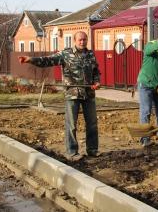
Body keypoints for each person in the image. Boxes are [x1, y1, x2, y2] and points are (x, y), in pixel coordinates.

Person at [18, 31, 101, 161]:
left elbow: (96, 71)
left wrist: (97, 82)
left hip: (89, 94)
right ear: (74, 40)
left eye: (84, 39)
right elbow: (48, 60)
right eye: (80, 40)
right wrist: (31, 60)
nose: (82, 42)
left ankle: (92, 150)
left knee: (92, 123)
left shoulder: (90, 54)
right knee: (71, 124)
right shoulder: (66, 54)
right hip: (72, 94)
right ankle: (72, 153)